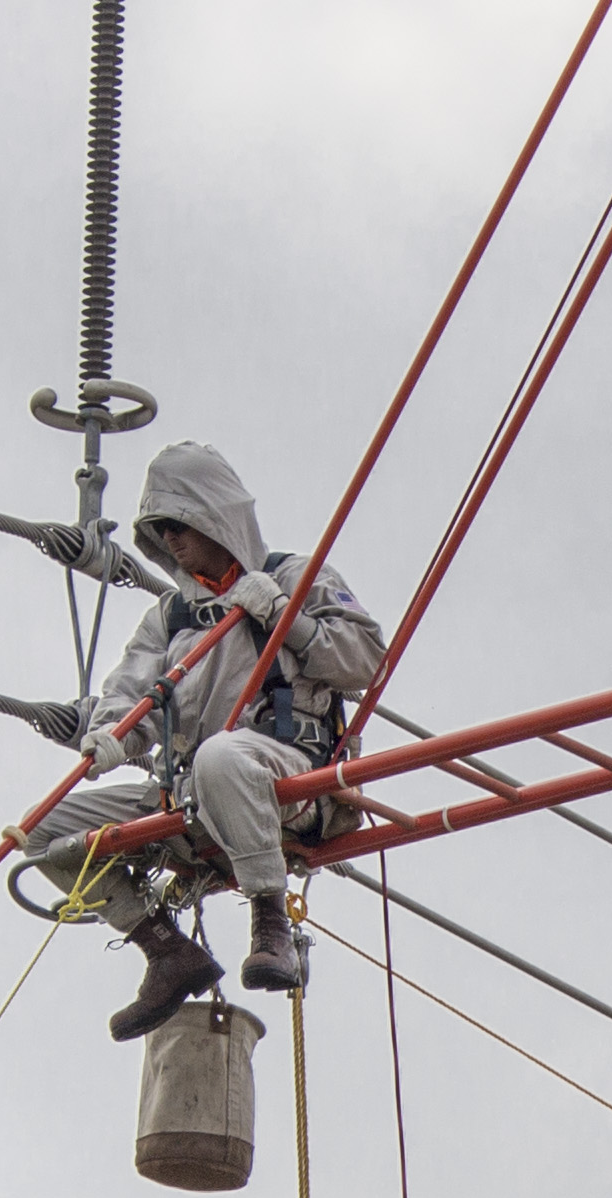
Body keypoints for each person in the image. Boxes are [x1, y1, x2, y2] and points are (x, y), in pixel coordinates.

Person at [19, 442, 387, 1035]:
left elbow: (366, 661)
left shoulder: (294, 578)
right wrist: (112, 737)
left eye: (179, 525)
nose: (173, 541)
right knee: (43, 830)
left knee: (223, 757)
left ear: (214, 516)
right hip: (189, 791)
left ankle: (270, 922)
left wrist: (282, 617)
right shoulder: (169, 617)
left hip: (285, 775)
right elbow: (129, 694)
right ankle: (165, 950)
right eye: (159, 531)